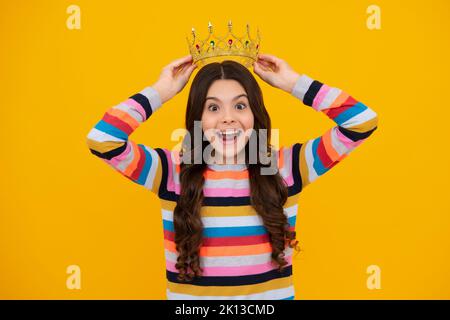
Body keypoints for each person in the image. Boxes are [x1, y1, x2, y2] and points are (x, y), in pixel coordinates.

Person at [86, 53, 379, 299]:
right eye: (213, 107)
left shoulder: (284, 167)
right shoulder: (170, 170)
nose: (227, 117)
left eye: (240, 105)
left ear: (255, 114)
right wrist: (161, 91)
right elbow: (103, 139)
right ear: (197, 118)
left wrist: (292, 83)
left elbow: (361, 122)